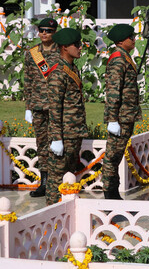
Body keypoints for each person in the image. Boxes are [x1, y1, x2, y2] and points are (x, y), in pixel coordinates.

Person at [46, 28, 87, 206]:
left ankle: (65, 213)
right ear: (64, 47)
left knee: (69, 177)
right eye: (76, 45)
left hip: (74, 132)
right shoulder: (58, 73)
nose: (80, 48)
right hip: (63, 133)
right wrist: (56, 138)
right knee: (57, 179)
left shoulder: (72, 69)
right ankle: (51, 217)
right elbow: (54, 108)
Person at [103, 24, 142, 200]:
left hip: (126, 114)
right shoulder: (119, 59)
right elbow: (113, 90)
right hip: (120, 116)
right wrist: (112, 119)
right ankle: (110, 192)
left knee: (116, 155)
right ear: (121, 41)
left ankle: (113, 191)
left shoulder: (125, 57)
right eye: (130, 37)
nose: (134, 40)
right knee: (113, 155)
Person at [24, 17, 60, 197]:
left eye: (48, 31)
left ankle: (57, 181)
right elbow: (28, 80)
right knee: (42, 143)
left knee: (58, 142)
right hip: (38, 104)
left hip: (56, 105)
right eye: (42, 30)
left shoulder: (62, 51)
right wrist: (28, 106)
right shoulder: (32, 53)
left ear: (55, 33)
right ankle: (44, 181)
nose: (44, 34)